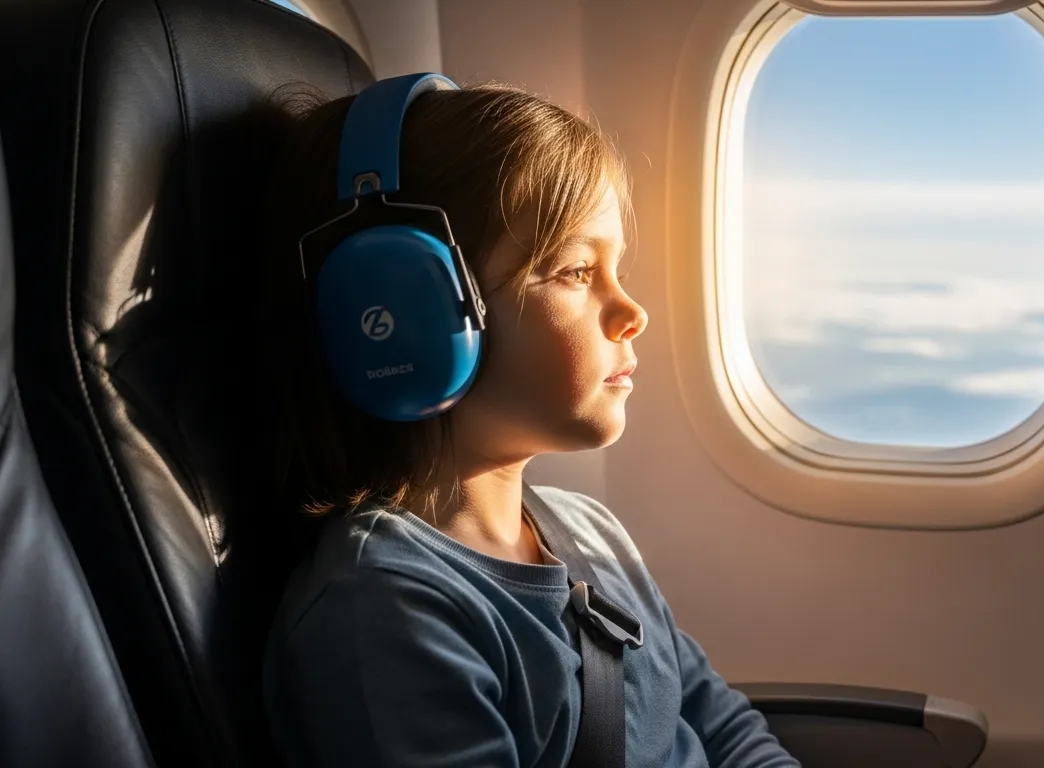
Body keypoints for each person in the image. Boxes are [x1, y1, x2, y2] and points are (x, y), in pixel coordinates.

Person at [256, 74, 799, 768]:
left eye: (615, 268)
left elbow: (721, 729)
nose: (633, 312)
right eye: (576, 271)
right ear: (404, 312)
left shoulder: (590, 534)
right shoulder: (386, 613)